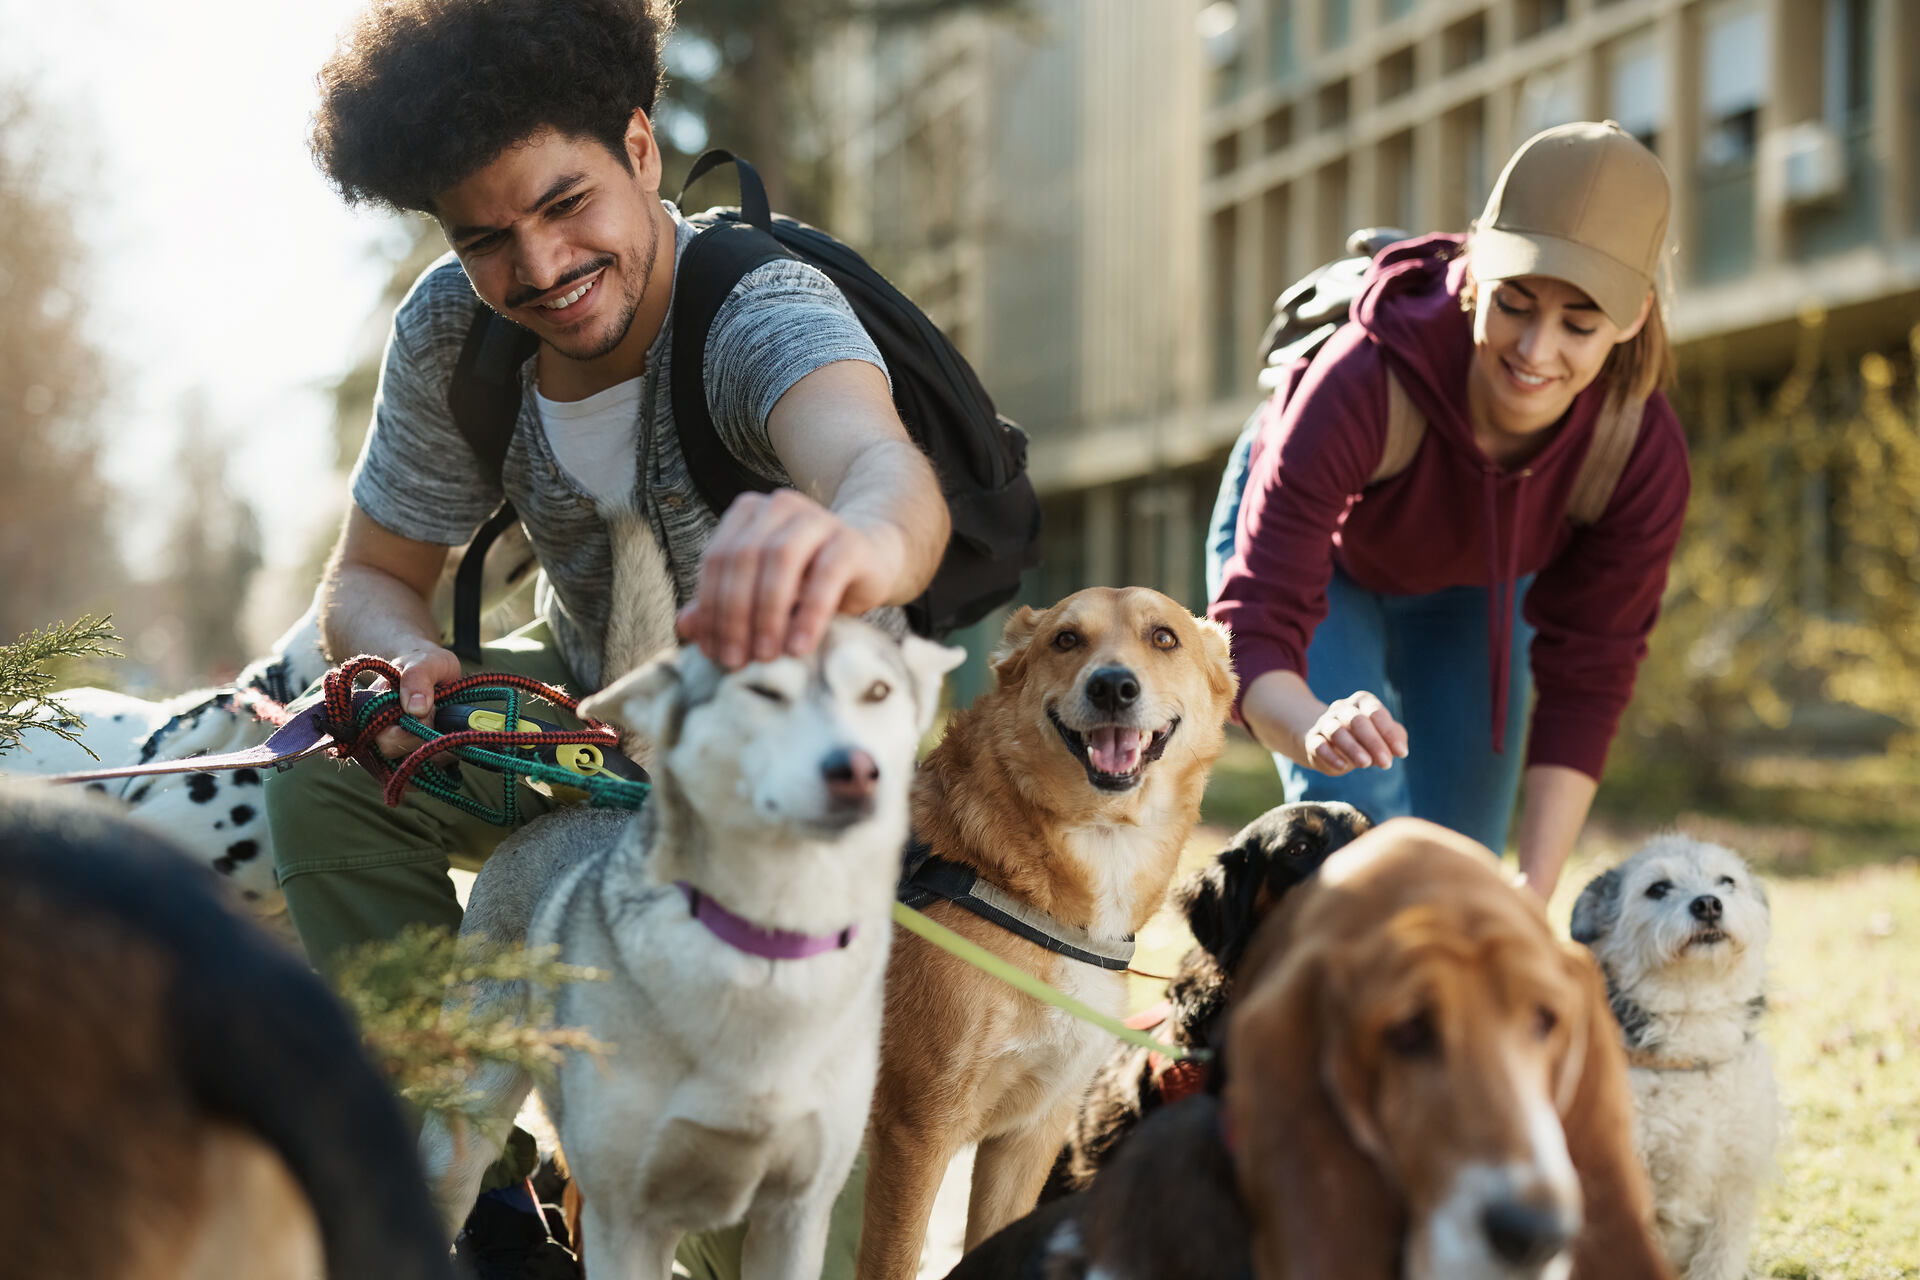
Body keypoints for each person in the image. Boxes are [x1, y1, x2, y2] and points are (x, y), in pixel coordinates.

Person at [263, 0, 947, 1274]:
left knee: (777, 1227)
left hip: (793, 749)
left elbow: (882, 474)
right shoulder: (450, 333)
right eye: (487, 238)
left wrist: (846, 548)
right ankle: (477, 1199)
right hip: (590, 713)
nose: (537, 264)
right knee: (325, 769)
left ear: (639, 145)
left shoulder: (758, 309)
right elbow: (364, 577)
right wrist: (403, 651)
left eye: (566, 201)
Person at [1208, 121, 1689, 901]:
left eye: (1578, 324)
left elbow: (1590, 674)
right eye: (1515, 303)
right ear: (1473, 270)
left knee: (1462, 875)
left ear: (1632, 318)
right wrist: (1312, 727)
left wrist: (1530, 895)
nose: (1535, 351)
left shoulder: (1637, 449)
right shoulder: (1361, 379)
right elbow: (1256, 629)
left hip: (1475, 583)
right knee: (1357, 826)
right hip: (1325, 562)